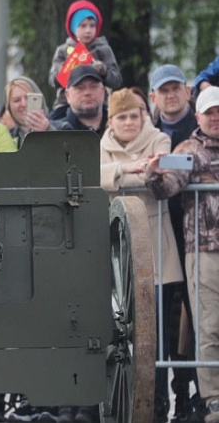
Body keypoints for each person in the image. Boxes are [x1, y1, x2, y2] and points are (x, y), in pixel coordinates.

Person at [100, 88, 184, 422]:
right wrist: (128, 169)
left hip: (156, 247)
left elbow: (158, 169)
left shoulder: (159, 137)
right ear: (111, 121)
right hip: (119, 252)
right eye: (122, 116)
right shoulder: (100, 145)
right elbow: (95, 174)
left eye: (135, 115)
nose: (130, 122)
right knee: (120, 333)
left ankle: (159, 400)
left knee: (157, 334)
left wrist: (122, 173)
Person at [146, 86, 219, 423]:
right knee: (209, 328)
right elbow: (166, 185)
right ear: (198, 115)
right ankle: (214, 399)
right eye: (210, 112)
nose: (216, 117)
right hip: (203, 252)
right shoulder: (187, 150)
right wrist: (153, 172)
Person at [148, 64, 201, 421]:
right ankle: (158, 398)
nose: (170, 95)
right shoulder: (149, 132)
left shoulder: (197, 131)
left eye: (175, 89)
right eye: (162, 90)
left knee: (195, 320)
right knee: (159, 321)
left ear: (187, 91)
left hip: (195, 235)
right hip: (158, 238)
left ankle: (189, 394)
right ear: (153, 96)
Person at [48, 0, 122, 109]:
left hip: (100, 106)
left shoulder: (104, 49)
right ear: (73, 28)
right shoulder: (63, 50)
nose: (88, 30)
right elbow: (52, 80)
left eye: (92, 26)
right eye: (83, 26)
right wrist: (66, 70)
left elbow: (116, 81)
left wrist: (103, 71)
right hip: (65, 104)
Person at [50, 65, 109, 136]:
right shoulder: (54, 132)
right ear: (67, 95)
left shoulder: (120, 129)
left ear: (103, 91)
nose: (87, 93)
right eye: (80, 88)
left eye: (93, 87)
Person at [2, 76, 54, 148]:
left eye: (28, 98)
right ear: (9, 107)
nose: (23, 104)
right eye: (17, 100)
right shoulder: (5, 137)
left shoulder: (63, 127)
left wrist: (48, 130)